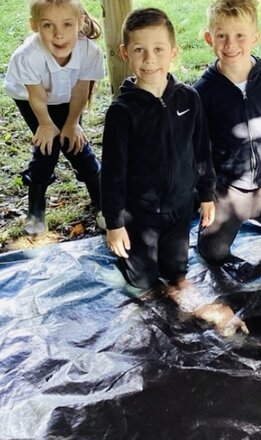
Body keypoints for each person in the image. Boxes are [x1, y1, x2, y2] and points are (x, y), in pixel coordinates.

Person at [101, 8, 244, 336]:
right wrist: (114, 224)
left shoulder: (189, 99)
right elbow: (111, 173)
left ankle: (191, 299)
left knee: (178, 271)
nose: (149, 59)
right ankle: (147, 273)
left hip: (179, 210)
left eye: (158, 49)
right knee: (142, 282)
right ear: (125, 53)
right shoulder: (122, 113)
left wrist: (207, 195)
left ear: (173, 52)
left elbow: (202, 150)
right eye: (139, 50)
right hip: (139, 214)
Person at [193, 0, 261, 265]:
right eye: (221, 35)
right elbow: (200, 146)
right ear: (208, 38)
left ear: (255, 38)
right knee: (212, 252)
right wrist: (206, 191)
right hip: (228, 188)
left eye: (240, 35)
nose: (230, 44)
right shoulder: (202, 92)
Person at [3, 0, 105, 236]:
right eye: (48, 25)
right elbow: (36, 96)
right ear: (34, 26)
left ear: (80, 23)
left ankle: (102, 202)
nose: (59, 34)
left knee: (76, 146)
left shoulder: (89, 51)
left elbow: (82, 90)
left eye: (67, 24)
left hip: (68, 94)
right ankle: (36, 212)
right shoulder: (27, 56)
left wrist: (72, 124)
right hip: (31, 98)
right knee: (47, 148)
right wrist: (46, 125)